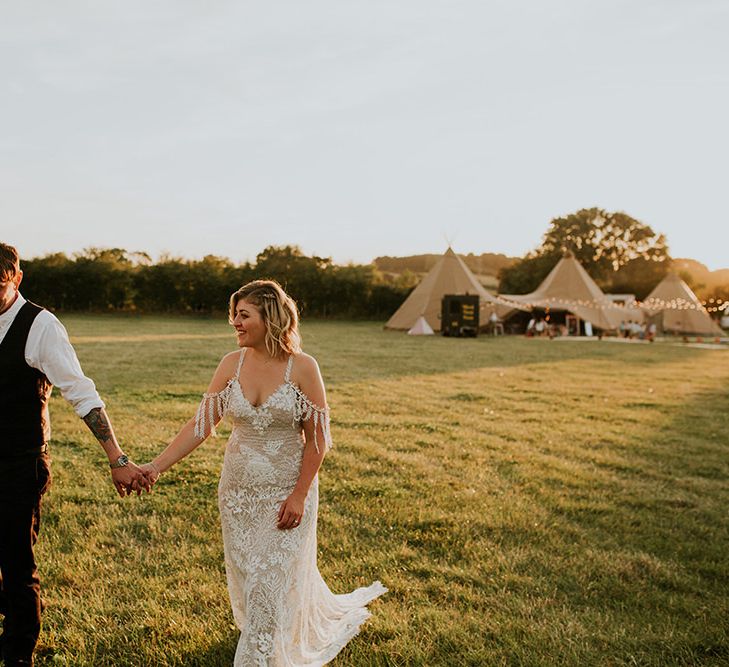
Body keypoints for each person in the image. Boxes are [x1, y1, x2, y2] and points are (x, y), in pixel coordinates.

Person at [140, 279, 386, 665]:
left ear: (269, 317)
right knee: (250, 575)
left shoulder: (303, 368)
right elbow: (201, 426)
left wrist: (300, 494)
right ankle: (265, 629)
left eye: (243, 315)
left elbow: (318, 441)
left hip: (286, 492)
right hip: (237, 493)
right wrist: (154, 467)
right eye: (234, 315)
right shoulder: (230, 364)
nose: (235, 323)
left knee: (267, 580)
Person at [0, 243, 150, 667]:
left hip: (18, 462)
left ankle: (18, 655)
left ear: (18, 279)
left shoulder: (40, 327)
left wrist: (117, 459)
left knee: (16, 565)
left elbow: (80, 393)